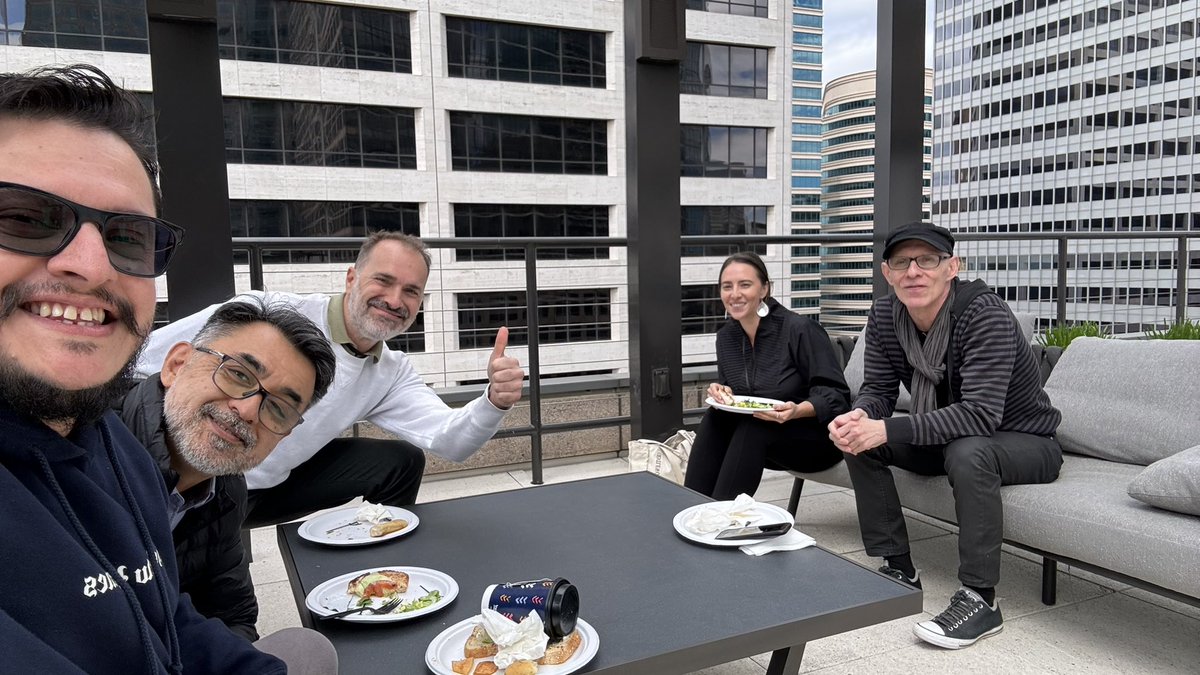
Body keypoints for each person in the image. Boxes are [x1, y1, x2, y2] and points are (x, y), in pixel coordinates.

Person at [0, 64, 292, 673]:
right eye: (24, 218)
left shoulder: (112, 450)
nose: (90, 263)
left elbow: (170, 622)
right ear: (178, 363)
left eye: (127, 237)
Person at [138, 231, 525, 526]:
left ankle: (383, 574)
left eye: (411, 291)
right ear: (351, 278)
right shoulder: (267, 312)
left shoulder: (390, 371)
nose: (394, 300)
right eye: (383, 281)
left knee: (401, 461)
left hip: (269, 486)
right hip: (193, 476)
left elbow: (452, 440)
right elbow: (144, 359)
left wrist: (495, 400)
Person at [827, 221, 1062, 650]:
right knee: (861, 439)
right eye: (902, 262)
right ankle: (898, 568)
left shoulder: (983, 314)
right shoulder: (885, 315)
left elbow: (978, 415)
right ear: (887, 272)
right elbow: (878, 391)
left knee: (967, 450)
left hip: (1025, 441)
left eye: (927, 260)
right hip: (949, 437)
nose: (913, 271)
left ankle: (981, 599)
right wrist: (859, 418)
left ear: (952, 267)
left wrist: (886, 427)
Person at [116, 298, 336, 642]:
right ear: (176, 365)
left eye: (278, 408)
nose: (248, 410)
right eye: (238, 374)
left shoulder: (226, 491)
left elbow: (234, 616)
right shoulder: (87, 437)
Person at [684, 252, 849, 500]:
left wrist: (797, 410)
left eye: (745, 285)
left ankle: (721, 519)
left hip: (817, 441)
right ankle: (691, 508)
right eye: (727, 287)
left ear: (764, 289)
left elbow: (837, 397)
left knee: (755, 426)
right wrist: (723, 392)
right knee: (715, 416)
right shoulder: (726, 337)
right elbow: (737, 393)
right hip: (760, 440)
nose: (735, 294)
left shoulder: (799, 329)